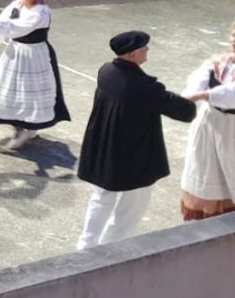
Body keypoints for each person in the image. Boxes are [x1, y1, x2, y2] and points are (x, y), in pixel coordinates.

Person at [76, 31, 196, 250]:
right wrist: (197, 98)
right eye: (144, 48)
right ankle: (114, 245)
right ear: (133, 55)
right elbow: (185, 111)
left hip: (105, 148)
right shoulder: (143, 87)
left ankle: (86, 245)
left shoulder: (106, 71)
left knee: (101, 197)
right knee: (134, 202)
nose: (147, 50)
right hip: (132, 156)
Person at [180, 19, 235, 220]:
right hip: (208, 121)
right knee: (205, 165)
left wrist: (205, 95)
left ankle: (228, 216)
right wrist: (190, 97)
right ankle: (204, 212)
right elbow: (197, 81)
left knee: (231, 168)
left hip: (233, 126)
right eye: (234, 36)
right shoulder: (218, 62)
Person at [0, 0, 70, 150]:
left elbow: (20, 27)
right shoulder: (15, 5)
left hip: (34, 54)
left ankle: (28, 128)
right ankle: (22, 128)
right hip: (16, 52)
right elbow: (5, 23)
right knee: (13, 90)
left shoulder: (42, 11)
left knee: (31, 90)